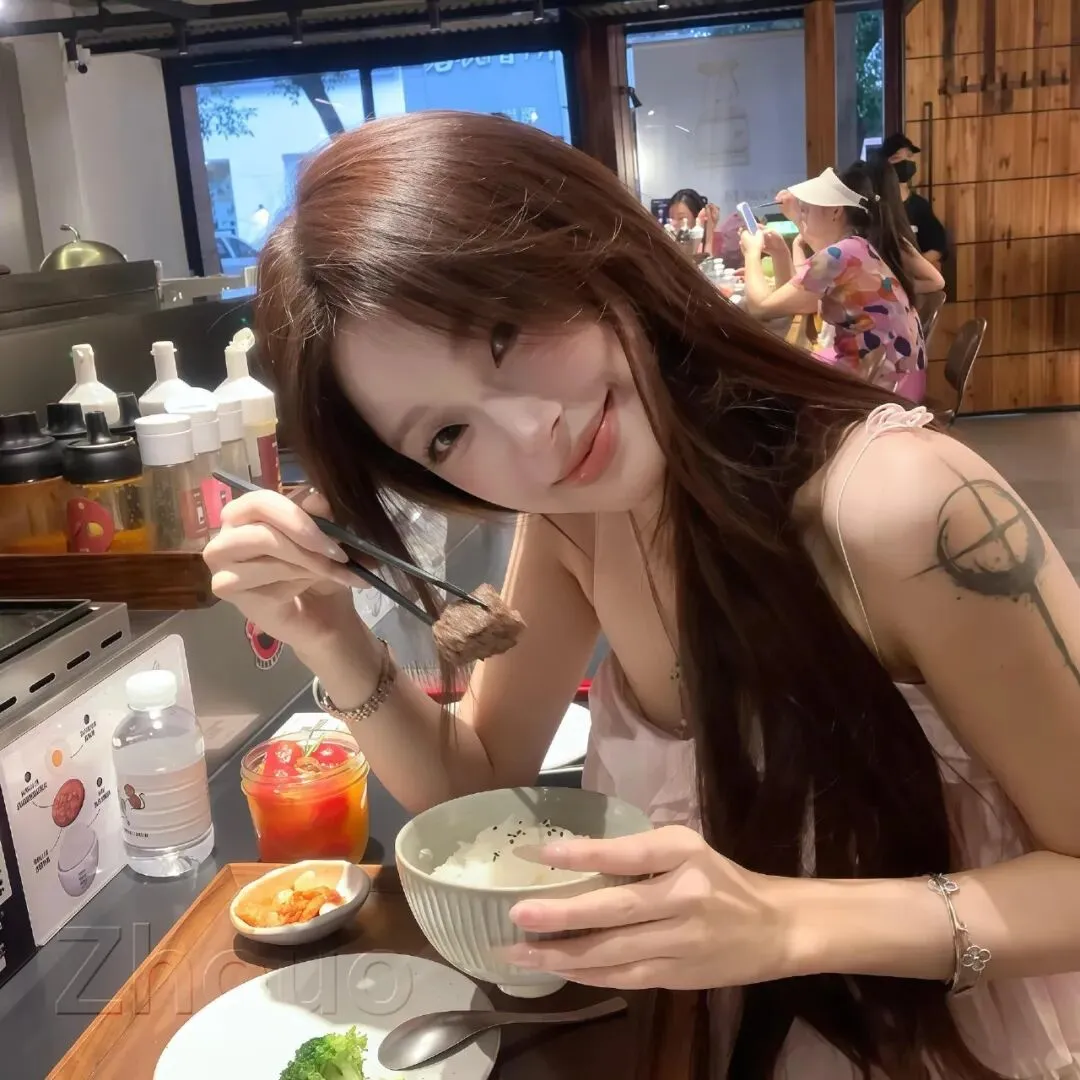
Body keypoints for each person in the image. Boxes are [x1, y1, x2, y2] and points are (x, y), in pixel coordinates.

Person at [205, 113, 1080, 1079]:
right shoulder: (578, 520)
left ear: (589, 245)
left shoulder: (903, 507)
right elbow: (476, 782)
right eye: (446, 436)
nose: (530, 434)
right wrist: (331, 635)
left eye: (505, 333)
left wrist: (784, 922)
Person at [742, 165, 944, 402]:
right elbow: (793, 302)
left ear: (835, 211)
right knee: (786, 365)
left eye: (806, 209)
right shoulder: (857, 247)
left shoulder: (838, 256)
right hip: (899, 378)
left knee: (767, 376)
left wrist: (751, 253)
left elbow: (761, 307)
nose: (802, 215)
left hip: (883, 388)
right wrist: (779, 252)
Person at [878, 133, 949, 267]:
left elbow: (938, 247)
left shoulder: (920, 206)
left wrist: (915, 266)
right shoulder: (877, 206)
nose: (905, 162)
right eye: (897, 158)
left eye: (909, 156)